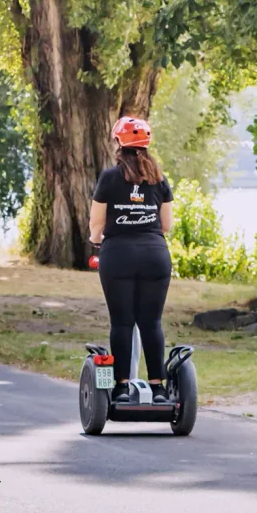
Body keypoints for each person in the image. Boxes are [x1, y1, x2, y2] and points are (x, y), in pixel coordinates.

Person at [90, 116, 175, 404]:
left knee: (122, 322)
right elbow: (166, 225)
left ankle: (123, 386)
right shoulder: (159, 179)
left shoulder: (109, 178)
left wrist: (98, 240)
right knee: (151, 322)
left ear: (118, 144)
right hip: (155, 256)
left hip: (118, 256)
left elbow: (96, 226)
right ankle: (159, 388)